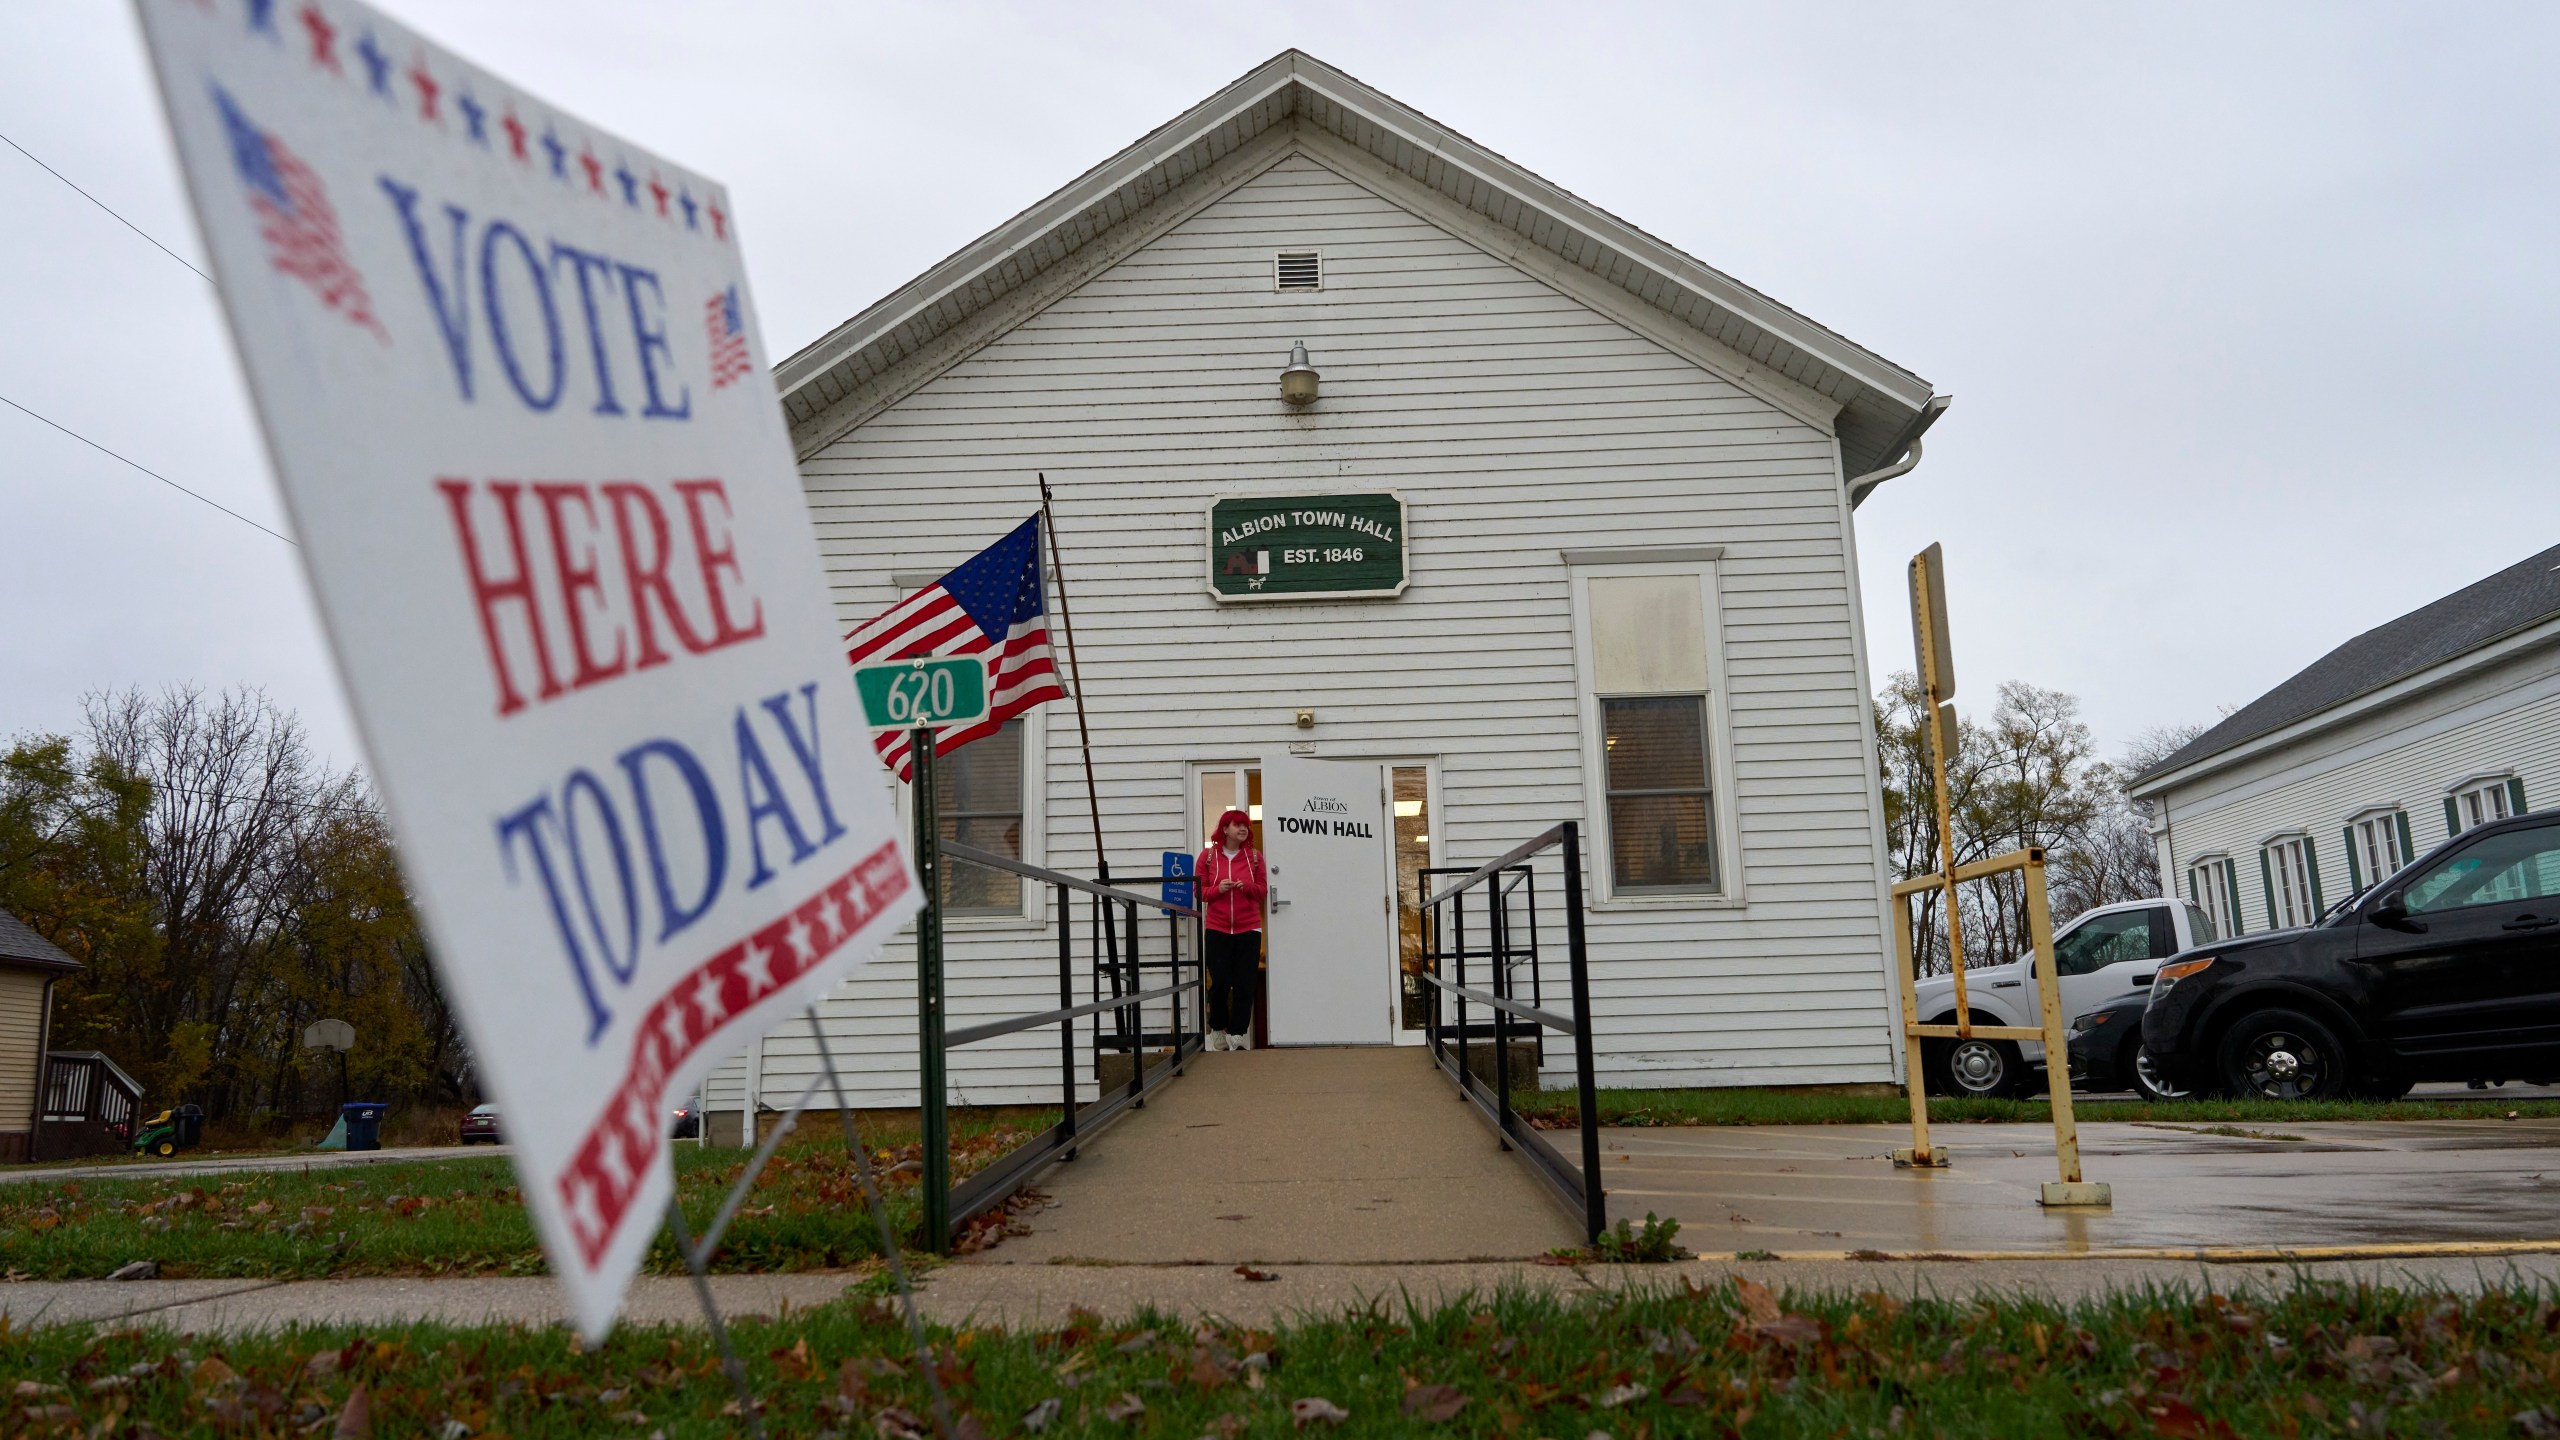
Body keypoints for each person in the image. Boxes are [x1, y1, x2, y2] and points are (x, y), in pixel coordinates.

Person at [1196, 808, 1267, 1051]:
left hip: (1249, 929)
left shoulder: (1254, 858)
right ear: (1225, 829)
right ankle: (1217, 1028)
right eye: (1237, 824)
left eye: (1245, 825)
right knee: (1220, 982)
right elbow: (1199, 891)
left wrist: (1247, 886)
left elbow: (1262, 891)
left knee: (1245, 983)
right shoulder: (1207, 857)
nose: (1243, 828)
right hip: (1217, 928)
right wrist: (1218, 890)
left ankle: (1237, 1034)